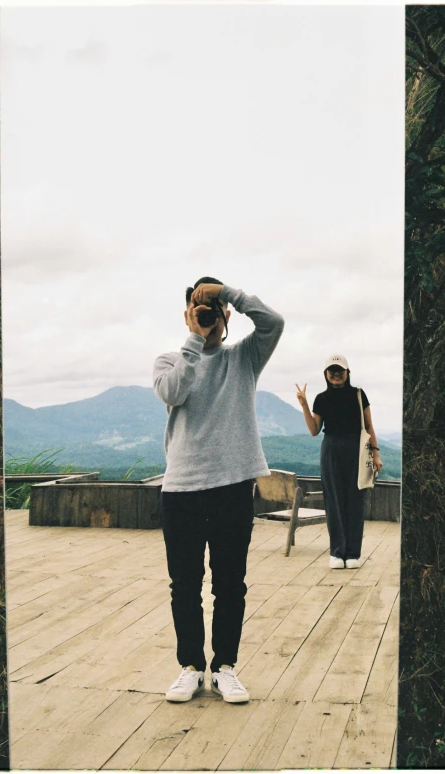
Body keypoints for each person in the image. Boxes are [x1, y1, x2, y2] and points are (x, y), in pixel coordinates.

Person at [153, 277, 284, 704]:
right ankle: (190, 667)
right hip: (182, 488)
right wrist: (195, 338)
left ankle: (225, 666)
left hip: (232, 487)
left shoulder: (243, 358)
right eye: (197, 307)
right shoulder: (170, 360)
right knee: (185, 585)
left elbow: (274, 322)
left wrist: (229, 293)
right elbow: (174, 392)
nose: (207, 314)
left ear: (226, 315)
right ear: (187, 315)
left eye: (213, 309)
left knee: (230, 584)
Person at [295, 354, 383, 570]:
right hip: (331, 449)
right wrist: (304, 405)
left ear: (347, 372)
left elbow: (369, 426)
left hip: (357, 449)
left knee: (355, 500)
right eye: (332, 370)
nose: (336, 373)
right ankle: (337, 552)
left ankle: (353, 553)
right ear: (325, 374)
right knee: (333, 502)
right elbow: (315, 430)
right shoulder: (321, 399)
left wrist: (376, 453)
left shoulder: (359, 395)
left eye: (340, 369)